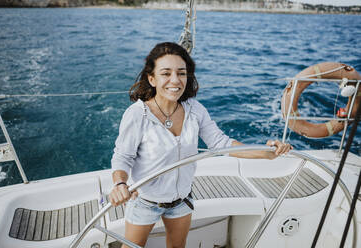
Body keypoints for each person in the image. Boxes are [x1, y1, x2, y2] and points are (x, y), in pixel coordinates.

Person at [109, 42, 292, 248]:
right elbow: (123, 157)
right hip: (145, 201)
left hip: (181, 200)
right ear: (152, 79)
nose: (175, 80)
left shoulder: (195, 110)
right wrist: (120, 184)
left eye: (181, 73)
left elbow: (221, 143)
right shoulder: (137, 114)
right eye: (166, 73)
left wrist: (266, 153)